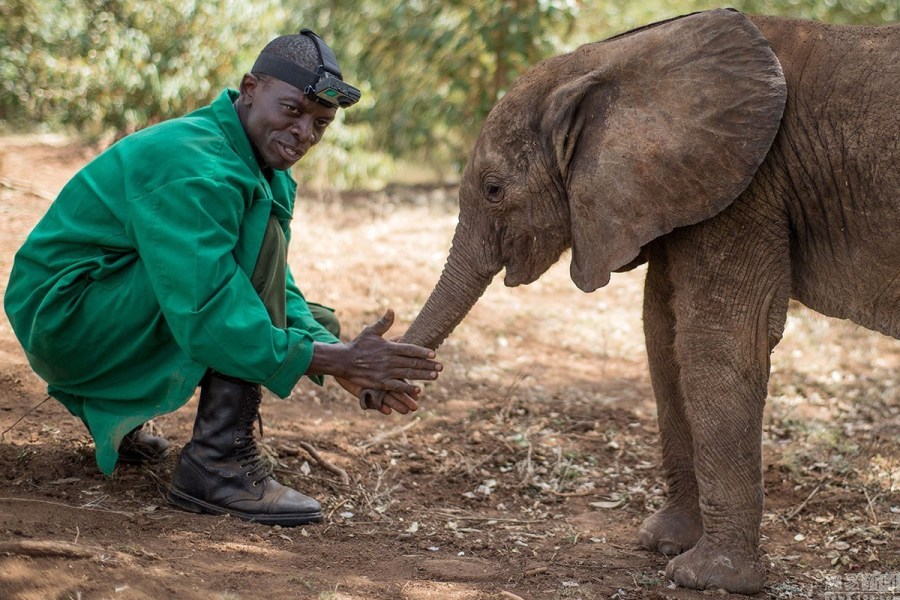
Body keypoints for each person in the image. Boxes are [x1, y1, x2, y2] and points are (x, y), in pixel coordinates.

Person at [3, 29, 441, 526]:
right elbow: (210, 306)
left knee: (296, 309)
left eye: (321, 123)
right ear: (250, 87)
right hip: (65, 319)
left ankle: (133, 427)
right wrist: (332, 358)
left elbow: (277, 288)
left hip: (95, 303)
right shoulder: (198, 166)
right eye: (292, 110)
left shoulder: (255, 161)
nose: (305, 134)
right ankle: (219, 465)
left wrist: (336, 357)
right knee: (225, 295)